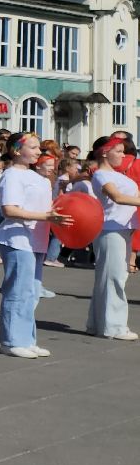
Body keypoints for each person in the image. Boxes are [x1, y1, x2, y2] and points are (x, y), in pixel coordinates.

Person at [0, 132, 68, 358]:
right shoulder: (11, 176)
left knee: (32, 293)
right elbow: (9, 209)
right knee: (18, 291)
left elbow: (45, 208)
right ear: (17, 150)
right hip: (18, 239)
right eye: (34, 147)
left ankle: (27, 339)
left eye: (39, 147)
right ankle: (11, 341)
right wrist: (46, 217)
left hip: (36, 240)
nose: (39, 151)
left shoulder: (37, 177)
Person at [86, 136, 140, 340]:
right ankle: (114, 326)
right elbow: (117, 197)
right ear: (104, 153)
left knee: (109, 277)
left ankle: (97, 323)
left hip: (123, 229)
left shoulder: (118, 175)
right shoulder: (100, 174)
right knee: (113, 278)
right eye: (118, 151)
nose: (123, 155)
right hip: (110, 230)